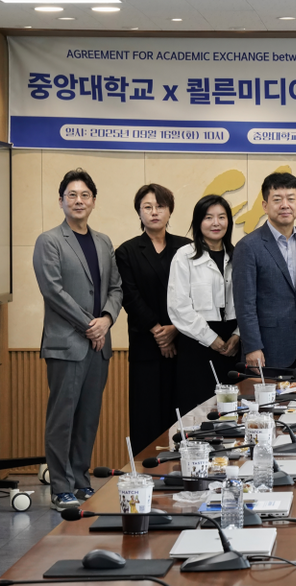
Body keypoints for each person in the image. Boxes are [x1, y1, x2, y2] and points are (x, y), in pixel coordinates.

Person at [32, 168, 122, 511]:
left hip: (99, 345)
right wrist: (91, 324)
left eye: (85, 195)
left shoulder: (103, 241)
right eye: (72, 195)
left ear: (94, 201)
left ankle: (81, 479)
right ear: (61, 201)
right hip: (67, 344)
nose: (79, 200)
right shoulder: (50, 241)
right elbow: (52, 291)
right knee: (63, 416)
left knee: (88, 416)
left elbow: (116, 287)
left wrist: (107, 320)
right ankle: (60, 486)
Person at [114, 184, 191, 452]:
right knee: (146, 416)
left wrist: (175, 330)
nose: (154, 212)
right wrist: (160, 331)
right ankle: (146, 476)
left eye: (160, 206)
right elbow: (129, 296)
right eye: (148, 207)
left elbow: (194, 296)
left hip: (184, 344)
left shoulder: (187, 248)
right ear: (139, 212)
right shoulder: (127, 251)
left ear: (170, 211)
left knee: (181, 414)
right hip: (146, 344)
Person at [232, 172, 296, 372]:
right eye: (277, 199)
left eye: (291, 199)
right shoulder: (248, 246)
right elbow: (245, 304)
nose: (285, 205)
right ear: (265, 205)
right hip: (268, 349)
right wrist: (252, 347)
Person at [168, 195, 239, 414]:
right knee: (198, 412)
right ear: (199, 222)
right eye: (208, 217)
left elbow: (250, 301)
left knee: (233, 411)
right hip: (197, 343)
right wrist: (211, 339)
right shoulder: (184, 256)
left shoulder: (238, 255)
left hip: (234, 342)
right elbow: (178, 307)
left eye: (221, 217)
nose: (216, 223)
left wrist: (238, 335)